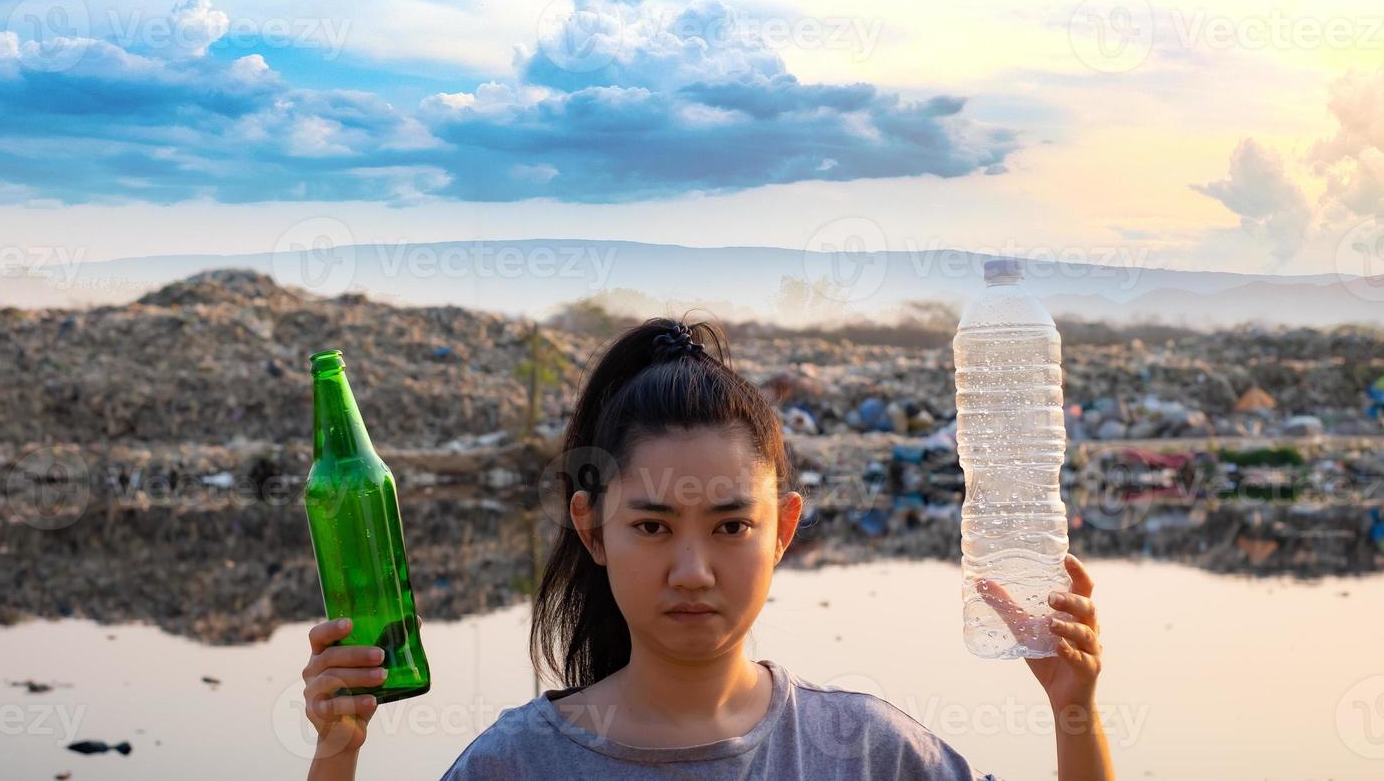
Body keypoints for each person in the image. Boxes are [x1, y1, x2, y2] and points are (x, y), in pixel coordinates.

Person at [301, 318, 1113, 780]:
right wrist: (338, 752)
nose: (692, 572)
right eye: (652, 527)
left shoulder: (863, 752)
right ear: (593, 531)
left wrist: (1074, 708)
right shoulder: (517, 766)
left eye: (732, 527)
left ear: (785, 529)